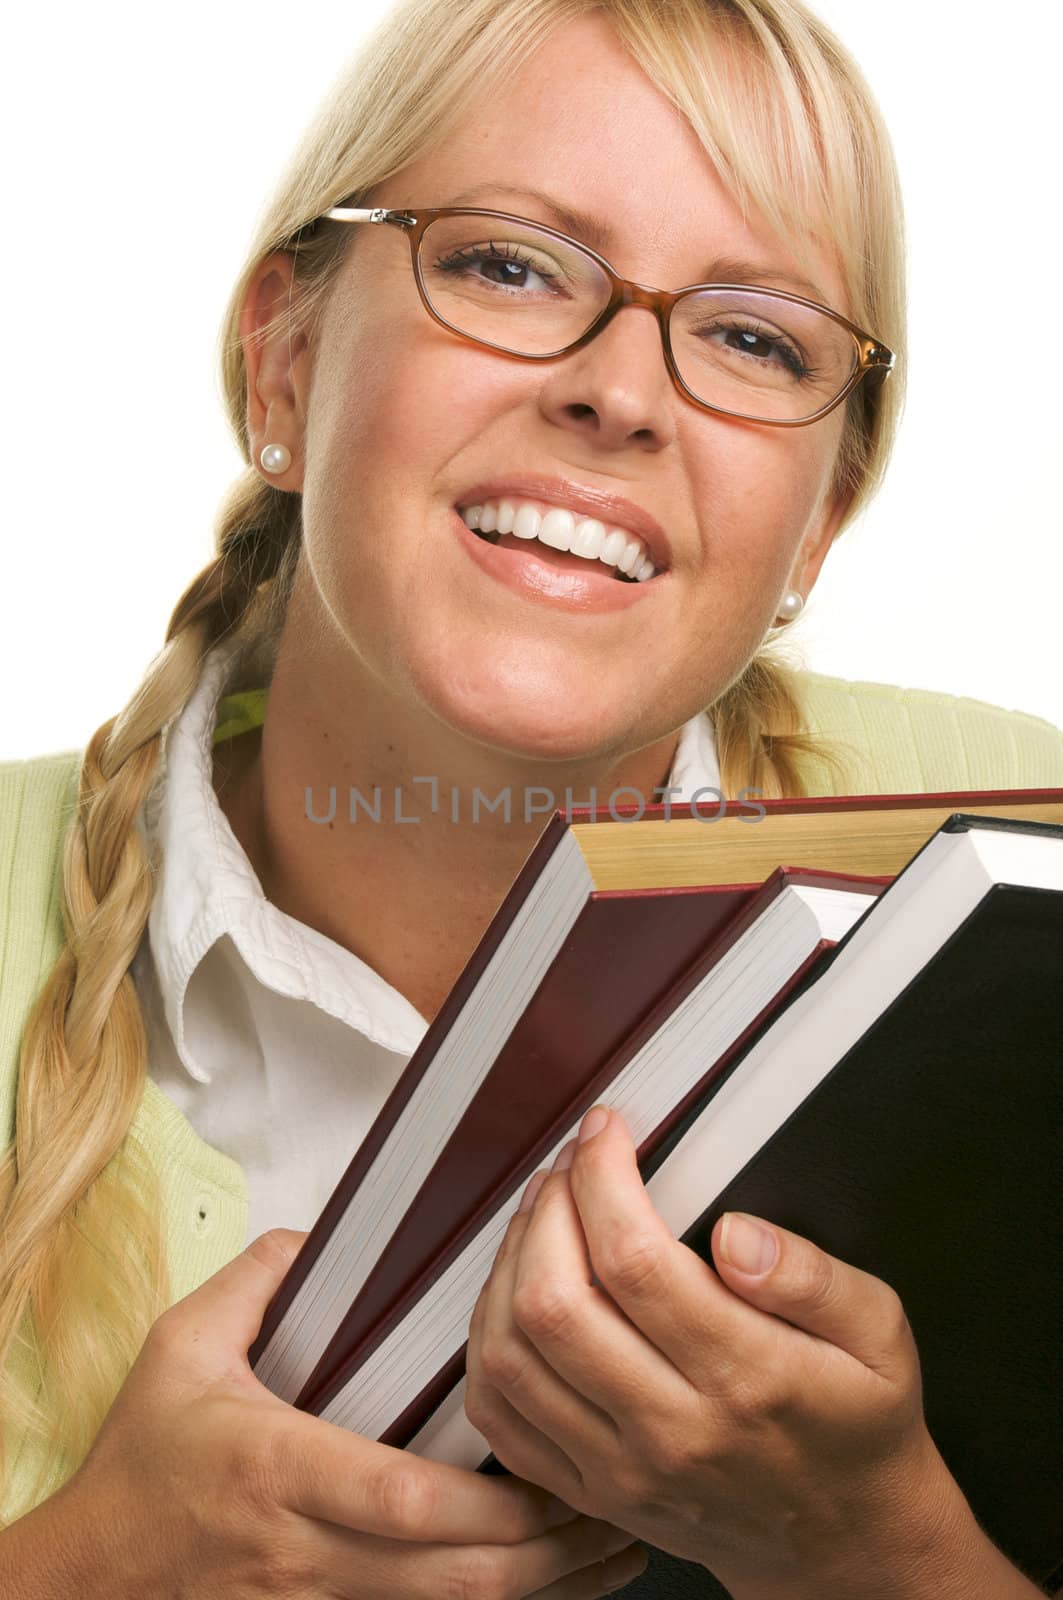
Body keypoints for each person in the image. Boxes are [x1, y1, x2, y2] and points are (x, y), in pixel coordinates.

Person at [1, 0, 1061, 1594]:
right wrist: (90, 1566)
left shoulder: (1026, 863)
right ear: (282, 364)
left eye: (753, 335)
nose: (622, 392)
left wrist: (875, 1552)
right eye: (508, 263)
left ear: (820, 526)